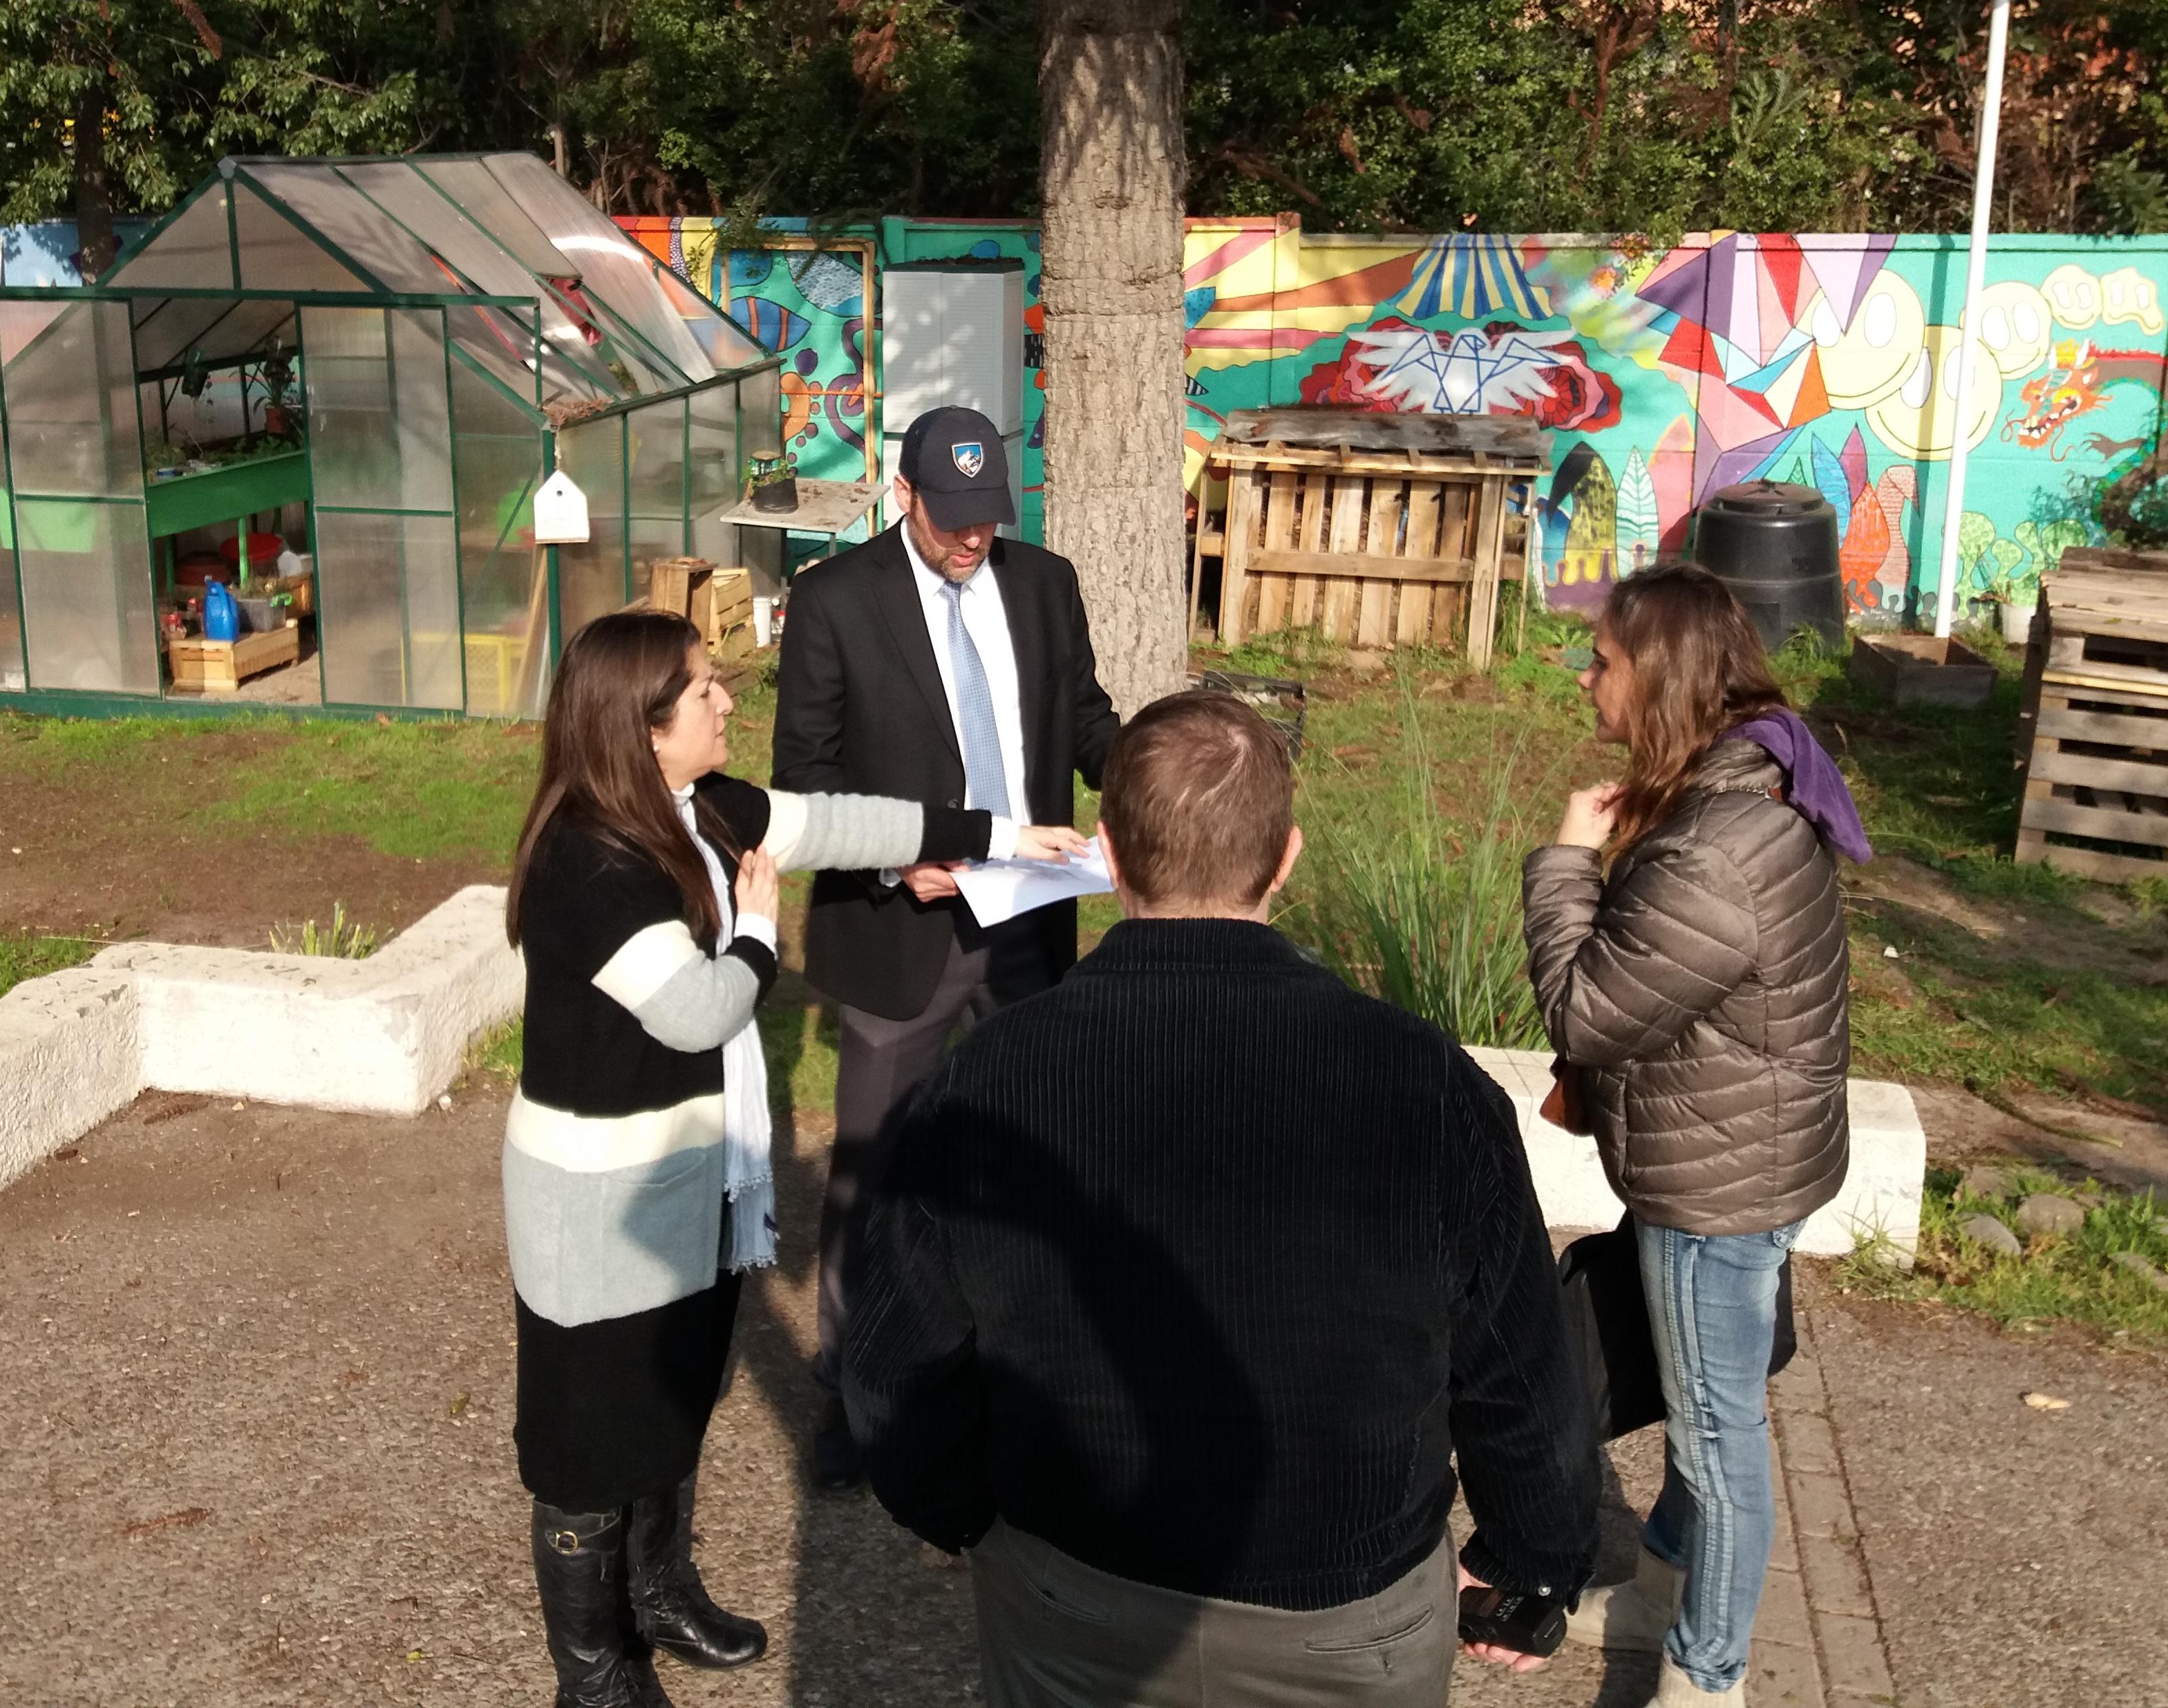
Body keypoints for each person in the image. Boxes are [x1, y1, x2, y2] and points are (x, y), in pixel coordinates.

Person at [841, 690, 1599, 1708]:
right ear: (1285, 857)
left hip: (1076, 1594)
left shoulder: (986, 1080)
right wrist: (1532, 1556)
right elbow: (1516, 1367)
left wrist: (964, 1517)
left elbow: (898, 1364)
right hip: (1346, 1620)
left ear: (1107, 854)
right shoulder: (1430, 1086)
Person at [502, 609, 1080, 1708]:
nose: (727, 699)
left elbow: (833, 821)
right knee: (589, 1451)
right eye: (704, 687)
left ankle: (660, 1592)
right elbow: (698, 1009)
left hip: (689, 1183)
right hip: (599, 1208)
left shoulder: (701, 810)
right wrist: (762, 934)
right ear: (644, 723)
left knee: (675, 1401)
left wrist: (999, 833)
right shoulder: (591, 857)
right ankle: (593, 1674)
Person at [1523, 563, 1867, 1708]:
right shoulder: (1751, 775)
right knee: (1708, 1401)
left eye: (1605, 662)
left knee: (1721, 1445)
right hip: (1747, 1151)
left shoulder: (1717, 847)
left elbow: (1586, 1012)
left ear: (1659, 676)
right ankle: (1666, 1588)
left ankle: (1707, 1674)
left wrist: (1567, 858)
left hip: (1717, 1187)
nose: (1588, 678)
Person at [772, 403, 1120, 1490]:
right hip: (900, 935)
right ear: (905, 493)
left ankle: (1011, 1383)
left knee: (1022, 1168)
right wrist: (892, 859)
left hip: (1030, 930)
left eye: (988, 518)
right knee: (871, 1179)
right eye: (952, 517)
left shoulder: (1044, 583)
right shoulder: (836, 601)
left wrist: (1152, 793)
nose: (973, 539)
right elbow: (806, 775)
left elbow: (1088, 719)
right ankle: (853, 1397)